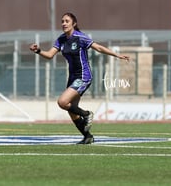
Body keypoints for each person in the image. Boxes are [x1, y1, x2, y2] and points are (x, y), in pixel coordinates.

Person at [30, 12, 130, 144]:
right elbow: (49, 55)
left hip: (83, 76)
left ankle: (87, 114)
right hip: (72, 78)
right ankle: (88, 136)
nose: (64, 23)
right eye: (62, 21)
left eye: (67, 21)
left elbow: (98, 47)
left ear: (74, 24)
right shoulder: (61, 39)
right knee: (71, 110)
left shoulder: (80, 37)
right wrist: (38, 51)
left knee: (62, 102)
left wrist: (117, 55)